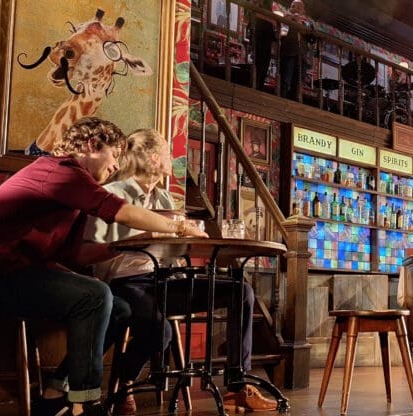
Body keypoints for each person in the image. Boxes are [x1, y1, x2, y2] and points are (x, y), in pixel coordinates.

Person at [0, 117, 208, 416]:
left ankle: (54, 393)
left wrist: (135, 241)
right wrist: (177, 227)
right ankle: (84, 403)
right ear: (91, 145)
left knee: (120, 307)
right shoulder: (58, 171)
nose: (115, 166)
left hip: (13, 276)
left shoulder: (72, 197)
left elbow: (78, 258)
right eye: (113, 156)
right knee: (96, 295)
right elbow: (118, 210)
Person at [84, 129, 277, 414]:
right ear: (153, 158)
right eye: (167, 153)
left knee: (241, 291)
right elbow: (93, 248)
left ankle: (237, 386)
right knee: (160, 331)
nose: (171, 160)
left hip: (165, 280)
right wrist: (145, 235)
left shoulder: (163, 199)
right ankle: (125, 383)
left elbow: (177, 248)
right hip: (126, 283)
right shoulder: (112, 195)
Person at [254, 0, 311, 98]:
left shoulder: (307, 23)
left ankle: (294, 104)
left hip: (302, 57)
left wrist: (297, 21)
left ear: (304, 12)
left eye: (298, 8)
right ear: (290, 8)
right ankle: (283, 99)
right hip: (287, 53)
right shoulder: (284, 19)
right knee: (285, 81)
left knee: (298, 84)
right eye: (293, 7)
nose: (295, 9)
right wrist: (286, 21)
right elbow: (279, 35)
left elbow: (306, 32)